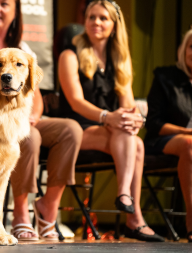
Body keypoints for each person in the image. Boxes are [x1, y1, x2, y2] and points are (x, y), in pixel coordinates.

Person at [0, 0, 83, 241]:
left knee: (70, 130)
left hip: (22, 115)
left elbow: (36, 93)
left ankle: (48, 207)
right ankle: (21, 214)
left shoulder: (22, 48)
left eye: (4, 3)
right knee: (28, 138)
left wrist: (31, 116)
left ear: (15, 12)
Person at [57, 0, 164, 242]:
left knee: (135, 140)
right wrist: (108, 117)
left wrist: (134, 118)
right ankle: (132, 214)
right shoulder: (70, 54)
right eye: (91, 17)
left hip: (111, 131)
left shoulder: (119, 60)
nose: (96, 22)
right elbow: (75, 101)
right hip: (75, 129)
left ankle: (128, 205)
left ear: (114, 25)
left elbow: (127, 103)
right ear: (84, 21)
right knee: (131, 140)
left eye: (103, 18)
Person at [145, 24, 192, 244]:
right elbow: (153, 123)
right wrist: (189, 132)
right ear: (183, 50)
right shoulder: (165, 77)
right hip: (164, 140)